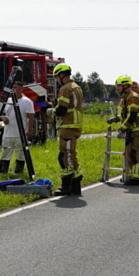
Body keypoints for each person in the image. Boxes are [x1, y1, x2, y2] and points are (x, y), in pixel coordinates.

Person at [107, 75, 139, 186]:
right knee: (129, 154)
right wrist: (115, 119)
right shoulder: (124, 98)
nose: (117, 88)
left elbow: (132, 115)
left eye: (119, 86)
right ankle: (130, 175)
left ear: (125, 85)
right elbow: (123, 115)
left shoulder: (133, 97)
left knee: (135, 153)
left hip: (138, 130)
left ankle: (137, 178)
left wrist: (122, 128)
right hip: (131, 130)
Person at [52, 64, 84, 196]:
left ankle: (67, 186)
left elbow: (61, 110)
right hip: (75, 125)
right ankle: (75, 186)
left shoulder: (65, 89)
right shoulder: (77, 87)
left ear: (61, 75)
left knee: (65, 156)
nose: (56, 80)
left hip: (68, 126)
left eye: (56, 78)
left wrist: (51, 111)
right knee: (71, 155)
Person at [0, 81, 36, 174]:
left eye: (15, 87)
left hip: (21, 134)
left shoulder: (27, 102)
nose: (13, 89)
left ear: (21, 88)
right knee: (5, 153)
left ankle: (18, 172)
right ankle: (2, 171)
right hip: (7, 133)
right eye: (12, 87)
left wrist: (29, 131)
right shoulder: (8, 101)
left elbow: (31, 117)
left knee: (20, 154)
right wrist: (4, 119)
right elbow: (3, 114)